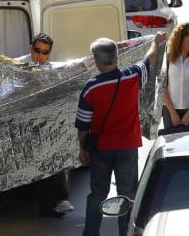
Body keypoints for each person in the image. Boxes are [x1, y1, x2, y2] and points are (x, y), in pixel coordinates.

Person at [76, 32, 167, 236]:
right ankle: (125, 233)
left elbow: (83, 125)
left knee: (97, 193)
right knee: (127, 195)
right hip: (127, 146)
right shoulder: (132, 76)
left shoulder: (90, 88)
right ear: (116, 58)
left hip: (101, 149)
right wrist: (155, 42)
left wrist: (83, 149)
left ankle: (91, 233)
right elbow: (149, 59)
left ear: (97, 60)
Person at [16, 33, 74, 218]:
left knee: (48, 171)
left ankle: (46, 207)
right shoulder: (16, 66)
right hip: (21, 125)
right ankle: (7, 205)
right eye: (37, 51)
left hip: (44, 126)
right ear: (30, 47)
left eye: (45, 52)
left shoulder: (52, 70)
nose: (40, 56)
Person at [162, 22, 189, 131]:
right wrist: (172, 113)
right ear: (180, 39)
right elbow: (162, 87)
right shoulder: (167, 58)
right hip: (170, 109)